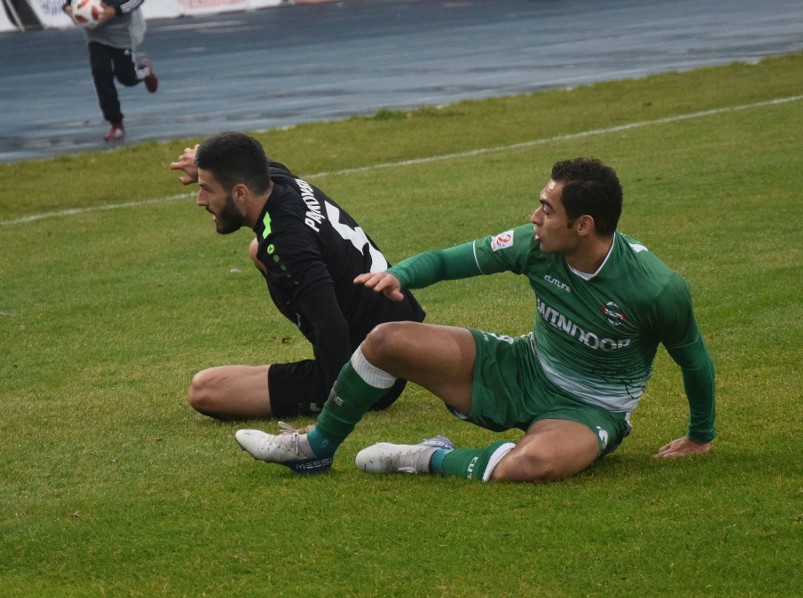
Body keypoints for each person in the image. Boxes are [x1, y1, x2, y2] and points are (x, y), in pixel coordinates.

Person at [234, 158, 716, 482]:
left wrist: (700, 436)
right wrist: (399, 274)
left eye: (547, 210)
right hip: (521, 366)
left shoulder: (656, 289)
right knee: (385, 340)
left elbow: (693, 360)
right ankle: (316, 447)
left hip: (589, 409)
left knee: (532, 465)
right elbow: (449, 261)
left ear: (583, 225)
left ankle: (421, 456)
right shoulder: (536, 245)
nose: (534, 216)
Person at [169, 132, 425, 421]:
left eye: (207, 189)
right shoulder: (277, 181)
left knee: (205, 390)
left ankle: (342, 387)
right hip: (398, 338)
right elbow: (248, 159)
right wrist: (204, 160)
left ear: (240, 192)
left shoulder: (285, 243)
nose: (200, 200)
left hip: (371, 370)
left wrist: (341, 405)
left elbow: (331, 324)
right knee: (258, 250)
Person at [63, 0, 158, 142]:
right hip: (95, 32)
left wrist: (115, 11)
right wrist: (68, 8)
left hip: (122, 30)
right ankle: (116, 124)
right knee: (101, 73)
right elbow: (66, 3)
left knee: (127, 77)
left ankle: (145, 71)